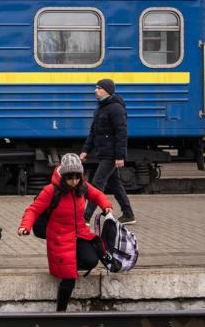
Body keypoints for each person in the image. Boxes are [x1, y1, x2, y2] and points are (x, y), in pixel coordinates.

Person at [17, 153, 113, 311]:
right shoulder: (50, 191)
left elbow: (97, 194)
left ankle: (71, 262)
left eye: (77, 177)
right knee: (69, 278)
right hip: (59, 238)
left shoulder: (81, 186)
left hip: (80, 233)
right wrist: (25, 226)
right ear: (62, 176)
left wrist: (106, 205)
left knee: (91, 261)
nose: (74, 181)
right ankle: (61, 312)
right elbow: (33, 210)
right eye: (70, 178)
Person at [80, 78, 135, 225]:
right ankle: (128, 214)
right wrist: (85, 150)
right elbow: (93, 132)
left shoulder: (116, 109)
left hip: (111, 155)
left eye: (98, 88)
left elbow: (121, 133)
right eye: (96, 87)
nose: (95, 90)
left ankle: (85, 218)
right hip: (103, 152)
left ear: (107, 90)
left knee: (97, 184)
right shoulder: (100, 108)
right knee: (115, 184)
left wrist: (119, 156)